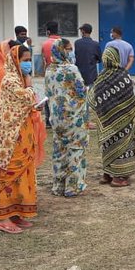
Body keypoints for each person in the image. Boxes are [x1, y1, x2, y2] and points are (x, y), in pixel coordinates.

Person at [0, 43, 46, 234]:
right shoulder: (11, 80)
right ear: (15, 61)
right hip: (11, 138)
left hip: (23, 135)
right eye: (25, 61)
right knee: (11, 173)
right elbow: (26, 97)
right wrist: (30, 87)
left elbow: (27, 105)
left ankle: (16, 212)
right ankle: (2, 217)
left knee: (23, 173)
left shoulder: (19, 79)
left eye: (30, 60)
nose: (28, 64)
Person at [45, 38, 90, 197]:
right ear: (62, 50)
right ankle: (73, 187)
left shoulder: (49, 70)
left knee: (59, 150)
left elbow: (49, 93)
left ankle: (58, 186)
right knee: (75, 150)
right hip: (73, 118)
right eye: (68, 49)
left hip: (56, 118)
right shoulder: (71, 69)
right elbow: (81, 91)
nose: (70, 52)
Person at [91, 46, 135, 187]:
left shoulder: (101, 76)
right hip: (123, 122)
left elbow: (93, 97)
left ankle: (107, 175)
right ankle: (119, 178)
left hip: (106, 121)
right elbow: (130, 99)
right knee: (122, 146)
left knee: (108, 146)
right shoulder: (123, 76)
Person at [74, 23, 101, 92]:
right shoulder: (96, 44)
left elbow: (76, 55)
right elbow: (100, 59)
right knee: (91, 96)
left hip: (79, 74)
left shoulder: (77, 43)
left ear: (83, 31)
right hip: (91, 75)